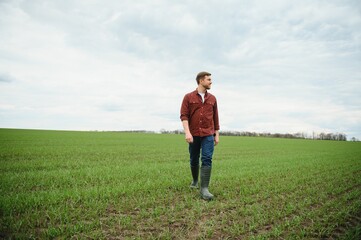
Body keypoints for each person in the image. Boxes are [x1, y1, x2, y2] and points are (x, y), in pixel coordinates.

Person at [180, 71, 220, 200]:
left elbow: (215, 117)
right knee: (194, 158)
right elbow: (184, 116)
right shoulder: (188, 97)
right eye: (208, 79)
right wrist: (187, 132)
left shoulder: (213, 98)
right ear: (201, 81)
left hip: (208, 133)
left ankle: (204, 189)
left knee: (207, 158)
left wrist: (217, 134)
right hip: (194, 134)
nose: (211, 82)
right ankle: (195, 181)